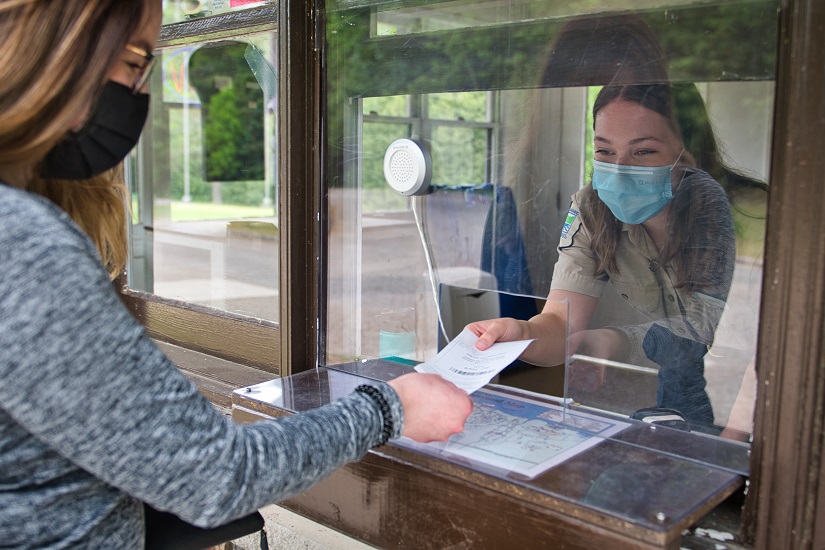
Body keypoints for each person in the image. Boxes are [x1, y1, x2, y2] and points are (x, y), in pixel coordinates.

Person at [0, 1, 472, 547]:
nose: (139, 92)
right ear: (58, 48)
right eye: (134, 64)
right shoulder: (23, 244)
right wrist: (393, 407)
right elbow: (216, 475)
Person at [470, 83, 736, 427]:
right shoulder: (591, 208)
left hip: (713, 401)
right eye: (605, 152)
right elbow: (562, 324)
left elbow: (700, 331)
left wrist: (610, 342)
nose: (621, 169)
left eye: (643, 152)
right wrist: (521, 333)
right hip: (632, 403)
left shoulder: (734, 212)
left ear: (686, 152)